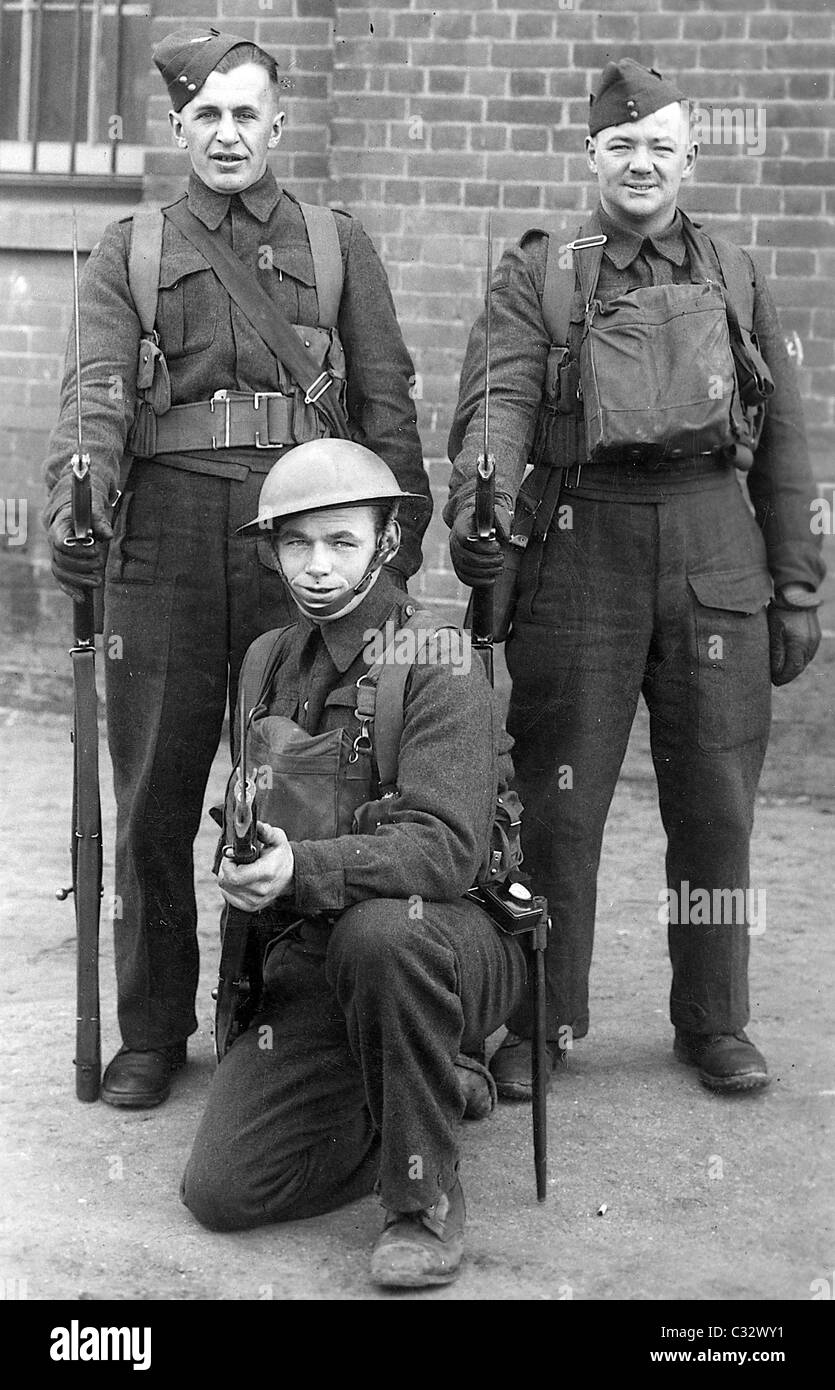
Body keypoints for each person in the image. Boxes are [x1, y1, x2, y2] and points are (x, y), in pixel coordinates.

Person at [42, 27, 431, 1108]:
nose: (226, 134)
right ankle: (154, 1032)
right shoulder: (133, 250)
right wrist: (82, 506)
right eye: (205, 116)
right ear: (177, 130)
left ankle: (276, 1022)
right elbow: (95, 397)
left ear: (277, 124)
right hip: (166, 546)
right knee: (157, 794)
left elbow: (387, 403)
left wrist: (395, 541)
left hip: (297, 545)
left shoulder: (337, 241)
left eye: (245, 114)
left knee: (300, 784)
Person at [446, 59, 824, 1098]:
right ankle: (541, 1019)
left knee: (715, 805)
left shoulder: (738, 274)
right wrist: (480, 504)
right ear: (590, 157)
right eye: (620, 145)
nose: (641, 163)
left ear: (689, 157)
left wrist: (796, 583)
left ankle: (714, 1020)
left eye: (660, 144)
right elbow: (499, 404)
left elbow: (786, 439)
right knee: (559, 807)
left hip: (714, 551)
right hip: (581, 553)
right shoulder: (543, 276)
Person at [180, 440, 526, 1288]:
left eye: (341, 542)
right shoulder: (264, 660)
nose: (318, 566)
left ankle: (422, 1202)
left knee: (383, 936)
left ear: (387, 541)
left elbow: (444, 848)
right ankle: (420, 1081)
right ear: (271, 550)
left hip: (445, 942)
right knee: (223, 1192)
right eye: (296, 544)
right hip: (313, 953)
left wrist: (302, 866)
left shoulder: (442, 661)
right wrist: (246, 855)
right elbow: (254, 798)